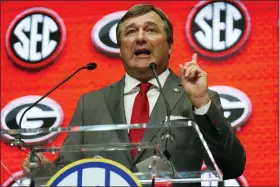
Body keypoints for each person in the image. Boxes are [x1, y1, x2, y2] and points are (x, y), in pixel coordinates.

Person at [22, 3, 246, 185]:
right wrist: (45, 172)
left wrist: (201, 103)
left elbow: (231, 167)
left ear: (169, 45)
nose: (140, 38)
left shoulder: (196, 98)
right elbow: (67, 172)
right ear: (120, 48)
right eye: (131, 32)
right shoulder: (89, 105)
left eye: (150, 30)